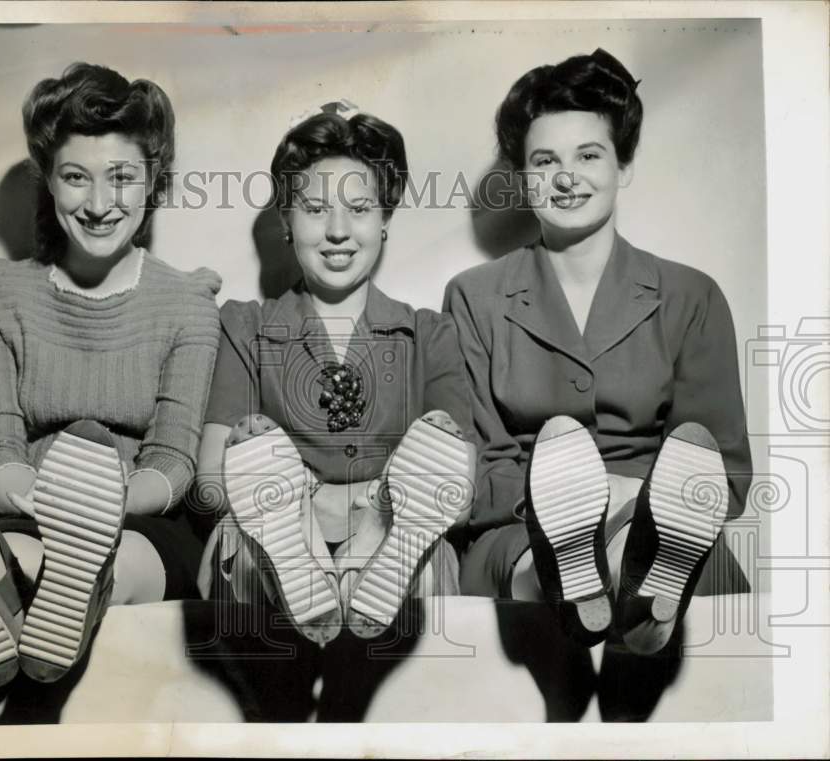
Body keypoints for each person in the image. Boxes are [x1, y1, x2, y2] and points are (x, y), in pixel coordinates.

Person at [0, 62, 220, 686]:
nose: (97, 204)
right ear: (49, 183)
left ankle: (51, 585)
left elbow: (172, 463)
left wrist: (103, 505)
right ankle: (1, 575)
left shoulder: (187, 301)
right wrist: (35, 497)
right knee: (28, 549)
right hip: (31, 516)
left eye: (121, 178)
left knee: (123, 556)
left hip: (143, 524)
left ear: (152, 181)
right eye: (75, 178)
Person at [445, 49, 752, 654]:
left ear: (624, 166)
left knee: (654, 543)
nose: (566, 177)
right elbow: (478, 469)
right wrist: (557, 503)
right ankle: (606, 592)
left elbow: (726, 471)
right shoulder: (473, 298)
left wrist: (623, 500)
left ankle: (633, 573)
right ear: (521, 175)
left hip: (661, 522)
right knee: (540, 559)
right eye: (544, 161)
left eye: (589, 155)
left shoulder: (691, 295)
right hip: (521, 532)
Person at [194, 101, 475, 645]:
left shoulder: (431, 336)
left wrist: (372, 511)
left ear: (386, 218)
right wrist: (301, 506)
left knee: (424, 536)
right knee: (241, 533)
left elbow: (456, 495)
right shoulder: (245, 327)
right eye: (315, 210)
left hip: (395, 541)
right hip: (268, 550)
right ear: (285, 219)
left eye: (360, 209)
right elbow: (211, 482)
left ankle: (376, 545)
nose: (339, 231)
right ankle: (299, 554)